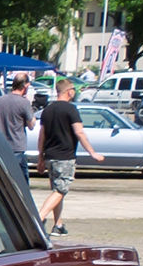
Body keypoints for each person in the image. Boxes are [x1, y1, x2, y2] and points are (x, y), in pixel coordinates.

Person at [37, 79, 104, 235]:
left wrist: (41, 157)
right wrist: (92, 152)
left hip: (50, 156)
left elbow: (42, 135)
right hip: (64, 156)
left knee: (56, 190)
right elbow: (79, 132)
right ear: (69, 91)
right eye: (74, 89)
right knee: (61, 190)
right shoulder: (71, 109)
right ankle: (39, 218)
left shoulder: (48, 110)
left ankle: (58, 225)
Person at [0, 73, 37, 181]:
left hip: (0, 146)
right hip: (16, 148)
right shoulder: (24, 103)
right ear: (25, 86)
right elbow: (31, 125)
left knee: (0, 179)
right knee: (21, 182)